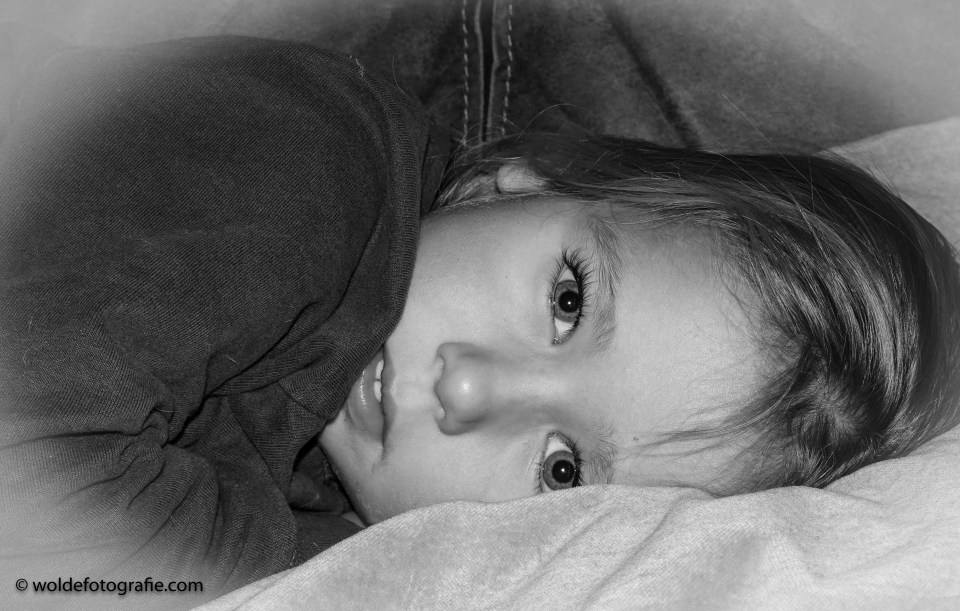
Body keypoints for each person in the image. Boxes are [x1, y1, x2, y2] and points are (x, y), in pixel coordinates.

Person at [1, 35, 958, 604]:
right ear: (523, 182)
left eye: (562, 468)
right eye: (568, 300)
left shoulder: (351, 480)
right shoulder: (295, 160)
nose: (465, 386)